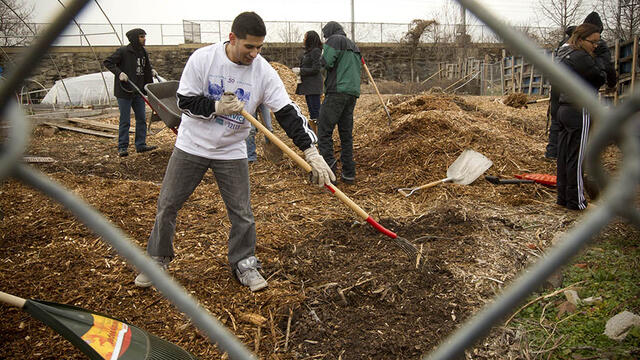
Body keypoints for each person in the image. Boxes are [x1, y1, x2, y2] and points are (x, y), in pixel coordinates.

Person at [133, 12, 334, 292]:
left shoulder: (263, 71)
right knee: (168, 203)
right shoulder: (203, 59)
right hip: (192, 144)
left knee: (242, 212)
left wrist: (310, 151)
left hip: (231, 149)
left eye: (259, 47)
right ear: (232, 39)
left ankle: (245, 262)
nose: (254, 53)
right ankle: (157, 259)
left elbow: (287, 113)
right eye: (249, 47)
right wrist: (216, 108)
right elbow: (184, 100)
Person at [545, 11, 616, 160]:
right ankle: (573, 157)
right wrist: (611, 82)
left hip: (559, 86)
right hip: (579, 93)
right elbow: (606, 67)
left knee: (557, 118)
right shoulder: (596, 46)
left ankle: (553, 153)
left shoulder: (566, 42)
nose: (595, 43)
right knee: (577, 128)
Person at [555, 23, 606, 211]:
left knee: (564, 155)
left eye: (598, 42)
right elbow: (601, 77)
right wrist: (600, 59)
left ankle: (563, 199)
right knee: (577, 157)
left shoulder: (563, 54)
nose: (596, 46)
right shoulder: (581, 57)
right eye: (593, 42)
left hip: (563, 107)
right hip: (579, 109)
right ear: (581, 40)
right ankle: (577, 203)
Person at [317, 22, 362, 185]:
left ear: (329, 32)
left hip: (337, 91)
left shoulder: (334, 40)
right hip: (352, 93)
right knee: (345, 135)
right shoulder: (354, 46)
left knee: (324, 132)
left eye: (324, 35)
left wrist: (318, 59)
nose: (325, 38)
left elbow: (326, 62)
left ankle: (329, 174)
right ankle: (349, 174)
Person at [104, 28, 158, 157]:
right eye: (141, 36)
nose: (144, 39)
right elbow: (108, 62)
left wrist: (151, 71)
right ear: (134, 38)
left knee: (141, 119)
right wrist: (119, 73)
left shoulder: (143, 52)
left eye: (144, 36)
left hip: (138, 91)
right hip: (125, 91)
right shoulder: (123, 51)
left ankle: (141, 145)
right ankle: (122, 147)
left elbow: (145, 67)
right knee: (125, 120)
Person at [294, 30, 324, 133]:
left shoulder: (316, 51)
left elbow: (316, 69)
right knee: (312, 112)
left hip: (313, 87)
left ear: (310, 39)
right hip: (308, 87)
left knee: (316, 112)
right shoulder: (308, 52)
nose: (303, 39)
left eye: (305, 37)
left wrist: (301, 71)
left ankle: (320, 135)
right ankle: (316, 135)